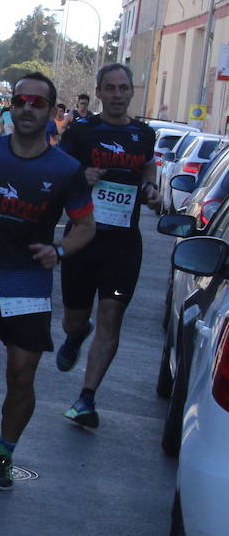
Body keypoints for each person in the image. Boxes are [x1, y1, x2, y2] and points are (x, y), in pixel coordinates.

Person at [0, 72, 96, 490]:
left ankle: (4, 454)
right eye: (21, 100)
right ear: (12, 105)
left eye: (37, 103)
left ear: (51, 112)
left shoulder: (65, 169)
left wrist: (59, 250)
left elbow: (85, 227)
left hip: (28, 282)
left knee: (22, 377)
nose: (27, 108)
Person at [53, 64, 160, 429]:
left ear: (132, 92)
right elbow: (59, 171)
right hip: (83, 238)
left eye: (123, 88)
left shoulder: (144, 134)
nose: (117, 95)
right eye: (110, 89)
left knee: (112, 313)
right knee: (75, 318)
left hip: (122, 245)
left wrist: (151, 189)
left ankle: (87, 397)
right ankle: (76, 334)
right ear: (99, 93)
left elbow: (148, 167)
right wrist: (82, 174)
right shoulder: (82, 131)